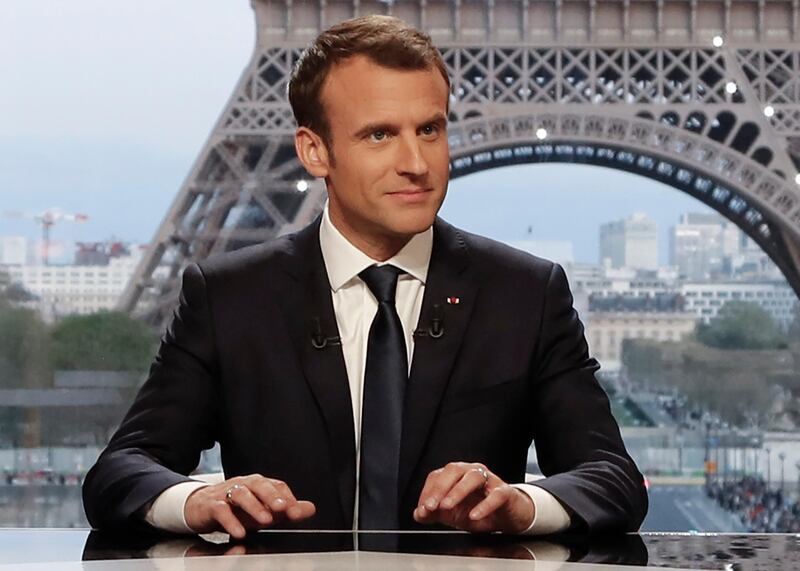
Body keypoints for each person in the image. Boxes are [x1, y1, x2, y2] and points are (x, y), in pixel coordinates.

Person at [82, 15, 648, 539]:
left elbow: (611, 477)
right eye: (379, 135)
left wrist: (522, 504)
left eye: (430, 129)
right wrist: (198, 499)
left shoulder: (524, 294)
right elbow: (121, 471)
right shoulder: (230, 297)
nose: (417, 163)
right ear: (314, 151)